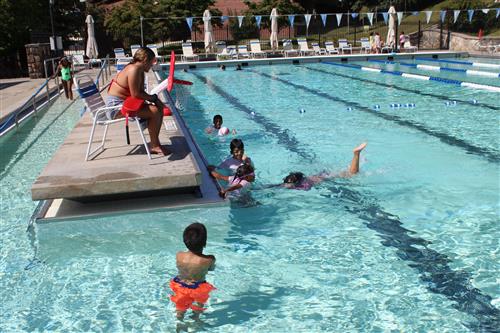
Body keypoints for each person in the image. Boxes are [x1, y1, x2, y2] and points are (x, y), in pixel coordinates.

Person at [107, 47, 169, 155]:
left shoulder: (138, 70)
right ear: (145, 59)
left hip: (124, 103)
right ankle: (154, 145)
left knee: (157, 109)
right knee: (154, 111)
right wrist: (154, 99)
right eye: (152, 61)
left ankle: (155, 143)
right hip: (115, 107)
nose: (152, 65)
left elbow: (140, 94)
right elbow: (136, 94)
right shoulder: (134, 69)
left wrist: (155, 100)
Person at [170, 223, 216, 320]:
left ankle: (179, 322)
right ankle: (196, 317)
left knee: (180, 307)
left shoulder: (179, 255)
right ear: (204, 242)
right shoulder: (209, 259)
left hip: (180, 284)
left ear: (185, 240)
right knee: (199, 304)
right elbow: (211, 269)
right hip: (199, 287)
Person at [282, 143, 367, 190]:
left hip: (327, 177)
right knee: (348, 172)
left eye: (288, 184)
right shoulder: (297, 183)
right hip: (323, 175)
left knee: (352, 174)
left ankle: (357, 154)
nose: (286, 186)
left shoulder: (303, 186)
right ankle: (359, 157)